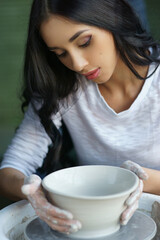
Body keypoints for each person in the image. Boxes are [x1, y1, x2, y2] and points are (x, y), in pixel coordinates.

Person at [0, 0, 160, 235]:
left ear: (111, 18)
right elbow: (10, 170)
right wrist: (35, 191)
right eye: (61, 53)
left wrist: (145, 183)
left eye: (84, 42)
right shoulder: (63, 86)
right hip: (86, 227)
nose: (77, 64)